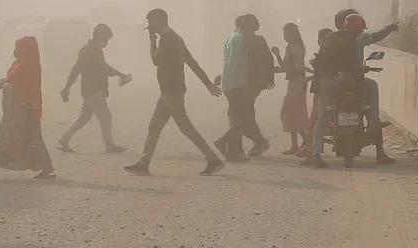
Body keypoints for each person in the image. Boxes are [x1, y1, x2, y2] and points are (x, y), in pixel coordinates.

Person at [124, 9, 224, 176]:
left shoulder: (166, 39)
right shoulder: (175, 37)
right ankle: (144, 162)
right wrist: (206, 83)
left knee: (185, 127)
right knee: (154, 126)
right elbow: (191, 61)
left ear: (158, 21)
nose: (149, 26)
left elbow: (156, 60)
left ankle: (213, 159)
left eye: (151, 22)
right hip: (168, 91)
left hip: (172, 91)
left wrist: (151, 42)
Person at [0, 36, 55, 180]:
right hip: (16, 109)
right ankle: (46, 167)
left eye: (18, 48)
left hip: (22, 110)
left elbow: (17, 85)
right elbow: (8, 81)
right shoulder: (20, 64)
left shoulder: (27, 67)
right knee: (30, 138)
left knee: (10, 137)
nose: (15, 51)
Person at [302, 14, 367, 169]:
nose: (360, 33)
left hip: (325, 81)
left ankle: (316, 153)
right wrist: (362, 85)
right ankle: (373, 125)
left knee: (322, 116)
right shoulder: (350, 42)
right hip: (341, 79)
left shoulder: (331, 37)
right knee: (371, 88)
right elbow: (355, 67)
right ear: (355, 29)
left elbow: (320, 59)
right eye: (359, 30)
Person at [333, 9, 397, 164]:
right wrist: (389, 28)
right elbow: (377, 36)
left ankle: (313, 147)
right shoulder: (361, 38)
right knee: (372, 94)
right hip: (356, 81)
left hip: (337, 81)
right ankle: (379, 150)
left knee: (325, 109)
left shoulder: (333, 38)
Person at [57, 24, 130, 153]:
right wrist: (67, 87)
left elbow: (103, 67)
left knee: (83, 118)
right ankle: (110, 146)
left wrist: (120, 75)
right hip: (93, 90)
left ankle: (64, 139)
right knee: (106, 117)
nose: (107, 43)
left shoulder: (92, 50)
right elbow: (77, 69)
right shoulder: (89, 51)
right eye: (106, 40)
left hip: (92, 89)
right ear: (99, 38)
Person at [215, 14, 272, 162]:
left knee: (236, 115)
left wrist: (222, 76)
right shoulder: (240, 39)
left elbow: (228, 62)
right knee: (243, 116)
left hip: (234, 83)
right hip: (240, 83)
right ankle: (237, 144)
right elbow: (234, 62)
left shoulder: (231, 37)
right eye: (251, 29)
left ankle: (236, 149)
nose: (252, 33)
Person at [272, 23, 309, 155]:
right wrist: (277, 56)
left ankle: (305, 139)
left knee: (290, 114)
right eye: (284, 34)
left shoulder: (296, 48)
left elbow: (299, 69)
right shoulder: (290, 47)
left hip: (297, 83)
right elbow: (284, 66)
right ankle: (296, 144)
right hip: (293, 82)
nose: (285, 37)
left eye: (287, 34)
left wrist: (283, 69)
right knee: (291, 115)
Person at [297, 28, 333, 158]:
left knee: (316, 120)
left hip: (322, 91)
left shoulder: (326, 53)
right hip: (326, 90)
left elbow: (322, 74)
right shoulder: (331, 52)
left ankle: (311, 150)